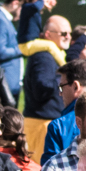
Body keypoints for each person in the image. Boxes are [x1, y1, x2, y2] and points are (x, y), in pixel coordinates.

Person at [20, 15, 72, 156]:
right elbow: (42, 87)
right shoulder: (44, 56)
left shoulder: (54, 55)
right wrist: (62, 77)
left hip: (46, 123)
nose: (68, 36)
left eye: (69, 33)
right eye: (63, 33)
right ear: (48, 35)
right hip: (41, 124)